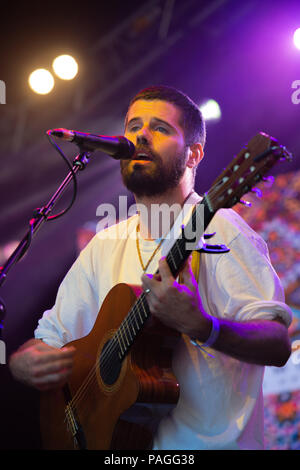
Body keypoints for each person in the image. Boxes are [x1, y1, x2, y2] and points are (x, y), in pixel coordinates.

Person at [9, 85, 292, 450]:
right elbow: (50, 340)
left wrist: (204, 326)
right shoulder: (104, 244)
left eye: (159, 128)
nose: (140, 135)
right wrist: (25, 361)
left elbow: (278, 344)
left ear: (194, 155)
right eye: (133, 126)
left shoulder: (220, 228)